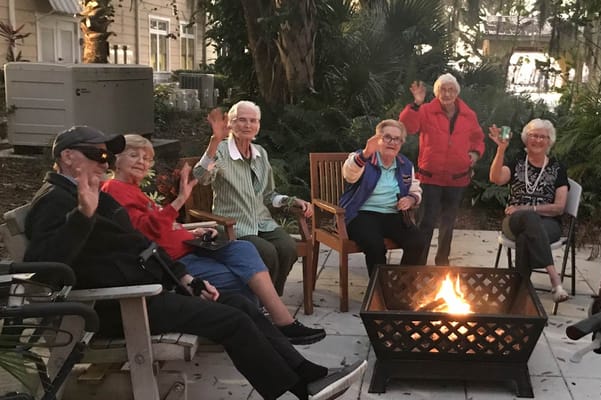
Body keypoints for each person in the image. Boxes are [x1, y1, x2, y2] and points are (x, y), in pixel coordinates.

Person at [23, 126, 365, 400]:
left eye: (106, 156)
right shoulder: (54, 201)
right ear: (67, 158)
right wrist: (82, 215)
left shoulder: (93, 194)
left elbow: (140, 243)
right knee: (232, 321)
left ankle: (310, 376)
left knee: (241, 304)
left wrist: (187, 278)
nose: (104, 162)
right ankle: (299, 388)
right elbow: (42, 268)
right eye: (96, 155)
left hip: (153, 288)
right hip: (123, 304)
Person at [102, 134, 325, 344]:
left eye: (147, 158)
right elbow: (150, 229)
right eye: (134, 156)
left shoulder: (260, 156)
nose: (142, 162)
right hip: (199, 246)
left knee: (255, 248)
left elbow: (268, 194)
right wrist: (182, 197)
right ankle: (270, 326)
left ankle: (277, 318)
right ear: (117, 159)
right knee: (250, 269)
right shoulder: (115, 189)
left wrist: (192, 233)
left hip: (216, 237)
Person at [194, 101, 313, 297]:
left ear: (258, 125)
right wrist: (215, 141)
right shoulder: (222, 151)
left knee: (287, 248)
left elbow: (268, 195)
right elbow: (202, 177)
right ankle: (266, 301)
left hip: (262, 222)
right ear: (230, 124)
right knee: (267, 252)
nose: (248, 125)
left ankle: (270, 297)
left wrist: (292, 201)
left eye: (253, 120)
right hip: (234, 225)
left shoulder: (260, 153)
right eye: (242, 120)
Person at [399, 73, 486, 266]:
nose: (447, 93)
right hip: (430, 178)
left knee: (448, 223)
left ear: (457, 92)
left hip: (457, 178)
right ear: (437, 93)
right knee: (426, 223)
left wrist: (475, 154)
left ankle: (442, 261)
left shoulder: (468, 114)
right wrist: (416, 103)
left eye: (451, 90)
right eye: (443, 90)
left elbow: (477, 139)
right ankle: (419, 264)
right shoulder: (426, 110)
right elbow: (407, 126)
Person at [488, 119, 570, 303]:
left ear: (549, 141)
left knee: (527, 235)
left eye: (543, 137)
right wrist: (501, 149)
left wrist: (528, 208)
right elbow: (496, 178)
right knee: (528, 219)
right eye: (533, 135)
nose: (538, 140)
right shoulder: (517, 161)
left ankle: (519, 289)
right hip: (514, 221)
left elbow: (559, 207)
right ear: (526, 138)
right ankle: (554, 278)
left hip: (548, 223)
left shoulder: (558, 168)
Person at [339, 120, 425, 274]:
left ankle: (401, 286)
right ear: (378, 139)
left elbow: (415, 189)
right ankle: (379, 291)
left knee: (418, 241)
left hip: (392, 214)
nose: (392, 142)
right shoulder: (363, 158)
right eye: (387, 137)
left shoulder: (405, 164)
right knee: (375, 246)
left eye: (397, 139)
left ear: (401, 143)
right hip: (361, 215)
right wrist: (365, 154)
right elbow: (349, 175)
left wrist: (410, 199)